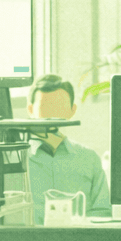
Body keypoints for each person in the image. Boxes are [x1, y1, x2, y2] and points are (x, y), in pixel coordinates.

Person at [26, 75, 111, 224]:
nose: (52, 114)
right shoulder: (13, 159)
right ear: (30, 109)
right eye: (45, 106)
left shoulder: (89, 158)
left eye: (59, 107)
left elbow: (102, 212)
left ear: (72, 110)